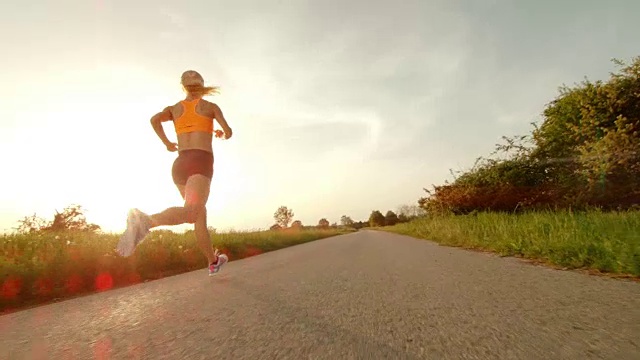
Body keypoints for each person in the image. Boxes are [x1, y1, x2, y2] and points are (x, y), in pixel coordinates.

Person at [116, 70, 233, 276]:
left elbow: (154, 120)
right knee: (192, 213)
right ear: (201, 85)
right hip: (200, 162)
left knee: (198, 214)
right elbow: (229, 132)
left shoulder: (174, 109)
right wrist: (221, 133)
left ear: (183, 86)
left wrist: (168, 143)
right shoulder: (210, 107)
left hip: (180, 165)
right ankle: (147, 222)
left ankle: (213, 261)